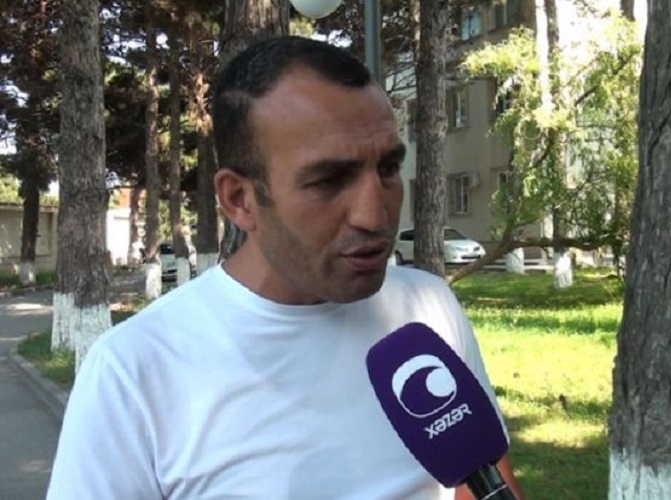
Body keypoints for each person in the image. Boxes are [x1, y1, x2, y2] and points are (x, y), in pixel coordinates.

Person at [47, 36, 522, 500]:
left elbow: (481, 483)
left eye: (387, 169)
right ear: (240, 199)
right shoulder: (133, 370)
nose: (375, 214)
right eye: (329, 180)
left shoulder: (428, 307)